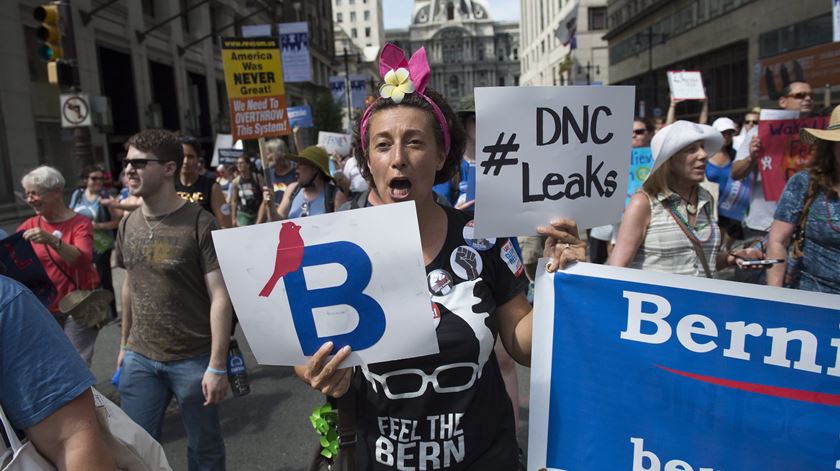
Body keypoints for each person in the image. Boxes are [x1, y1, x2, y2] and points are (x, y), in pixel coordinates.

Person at [294, 43, 585, 470]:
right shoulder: (331, 240)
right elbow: (303, 349)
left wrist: (564, 281)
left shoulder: (481, 238)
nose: (398, 159)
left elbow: (523, 345)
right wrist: (317, 373)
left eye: (414, 142)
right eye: (382, 145)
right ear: (367, 159)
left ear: (441, 155)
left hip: (484, 457)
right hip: (376, 459)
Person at [115, 129, 231, 470]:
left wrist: (217, 364)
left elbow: (220, 296)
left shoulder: (200, 223)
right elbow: (128, 286)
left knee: (204, 449)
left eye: (139, 163)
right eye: (127, 163)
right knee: (132, 448)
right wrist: (123, 345)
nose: (128, 170)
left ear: (168, 168)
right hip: (140, 357)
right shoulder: (128, 224)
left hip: (193, 361)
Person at [610, 121, 760, 277]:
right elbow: (618, 269)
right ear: (669, 160)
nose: (703, 155)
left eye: (702, 147)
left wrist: (732, 258)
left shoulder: (706, 198)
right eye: (691, 149)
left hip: (701, 301)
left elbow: (698, 259)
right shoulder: (643, 202)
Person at [0, 275, 116, 470]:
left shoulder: (7, 300)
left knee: (79, 360)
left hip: (70, 310)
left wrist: (54, 243)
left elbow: (71, 437)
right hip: (49, 312)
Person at [18, 166, 102, 366]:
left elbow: (82, 260)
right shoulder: (29, 225)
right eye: (27, 194)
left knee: (77, 363)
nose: (30, 199)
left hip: (80, 305)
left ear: (56, 192)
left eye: (35, 193)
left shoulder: (80, 224)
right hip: (46, 308)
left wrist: (52, 241)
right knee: (55, 363)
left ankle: (86, 398)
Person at [766, 105, 840, 293]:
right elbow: (778, 241)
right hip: (814, 298)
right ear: (831, 147)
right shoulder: (805, 182)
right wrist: (774, 297)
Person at [732, 81, 813, 240]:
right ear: (783, 101)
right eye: (800, 95)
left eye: (811, 95)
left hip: (805, 226)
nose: (808, 99)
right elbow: (735, 173)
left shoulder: (818, 134)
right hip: (764, 225)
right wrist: (751, 158)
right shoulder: (758, 132)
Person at [69, 164, 122, 320]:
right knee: (84, 278)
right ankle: (90, 311)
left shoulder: (105, 197)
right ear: (86, 180)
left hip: (101, 243)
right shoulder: (77, 195)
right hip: (81, 242)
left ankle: (110, 313)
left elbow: (116, 222)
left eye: (101, 178)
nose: (98, 181)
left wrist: (95, 226)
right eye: (94, 178)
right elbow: (70, 213)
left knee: (103, 278)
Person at [267, 145, 347, 219]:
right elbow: (277, 221)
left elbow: (342, 229)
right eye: (296, 163)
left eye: (301, 163)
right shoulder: (292, 189)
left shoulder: (335, 195)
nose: (296, 167)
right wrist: (270, 206)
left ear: (315, 169)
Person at [706, 117, 751, 243]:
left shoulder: (737, 156)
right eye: (722, 133)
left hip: (730, 212)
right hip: (709, 211)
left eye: (729, 133)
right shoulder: (703, 155)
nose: (726, 136)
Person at [176, 135, 229, 229]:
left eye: (190, 157)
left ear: (198, 160)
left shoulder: (211, 187)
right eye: (182, 156)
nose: (185, 161)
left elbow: (225, 225)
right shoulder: (168, 186)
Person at [229, 154, 264, 226]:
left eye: (241, 163)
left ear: (248, 165)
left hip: (258, 211)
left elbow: (264, 194)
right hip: (244, 214)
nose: (239, 165)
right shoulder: (235, 182)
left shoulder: (257, 177)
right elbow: (234, 201)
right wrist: (233, 218)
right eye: (237, 163)